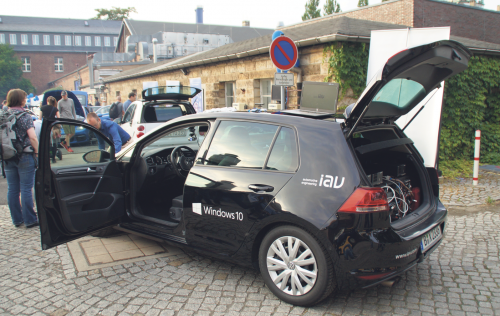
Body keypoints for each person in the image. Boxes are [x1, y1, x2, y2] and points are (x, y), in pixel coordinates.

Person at [3, 89, 39, 228]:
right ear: (21, 100)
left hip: (7, 156)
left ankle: (17, 220)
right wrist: (37, 152)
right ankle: (30, 219)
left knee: (12, 189)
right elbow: (32, 137)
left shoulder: (3, 115)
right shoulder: (24, 116)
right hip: (24, 155)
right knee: (26, 188)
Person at [39, 97, 61, 163]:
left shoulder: (42, 108)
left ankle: (46, 158)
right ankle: (53, 159)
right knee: (54, 143)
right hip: (53, 127)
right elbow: (59, 118)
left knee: (46, 142)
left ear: (47, 101)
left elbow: (40, 118)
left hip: (45, 126)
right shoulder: (55, 109)